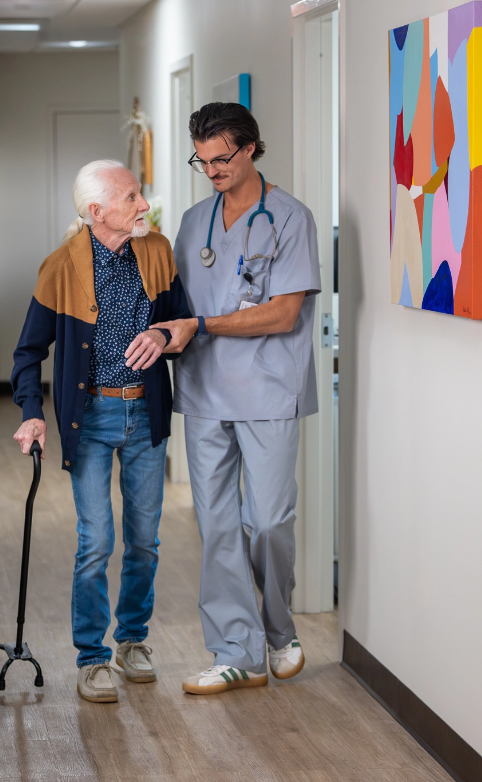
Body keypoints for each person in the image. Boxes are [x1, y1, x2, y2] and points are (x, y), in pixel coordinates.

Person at [155, 102, 321, 695]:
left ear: (251, 148)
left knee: (268, 521)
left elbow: (283, 311)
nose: (213, 170)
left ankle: (278, 626)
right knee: (218, 525)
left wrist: (203, 325)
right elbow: (175, 301)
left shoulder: (290, 218)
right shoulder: (195, 220)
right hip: (202, 390)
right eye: (202, 161)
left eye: (222, 158)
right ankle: (237, 652)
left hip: (269, 388)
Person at [11, 160, 191, 703]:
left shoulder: (156, 251)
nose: (143, 205)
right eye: (132, 196)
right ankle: (92, 657)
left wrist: (162, 333)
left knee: (144, 541)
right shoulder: (60, 267)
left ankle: (132, 640)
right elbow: (27, 353)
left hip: (145, 415)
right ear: (97, 211)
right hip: (90, 421)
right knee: (96, 543)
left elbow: (181, 324)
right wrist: (31, 412)